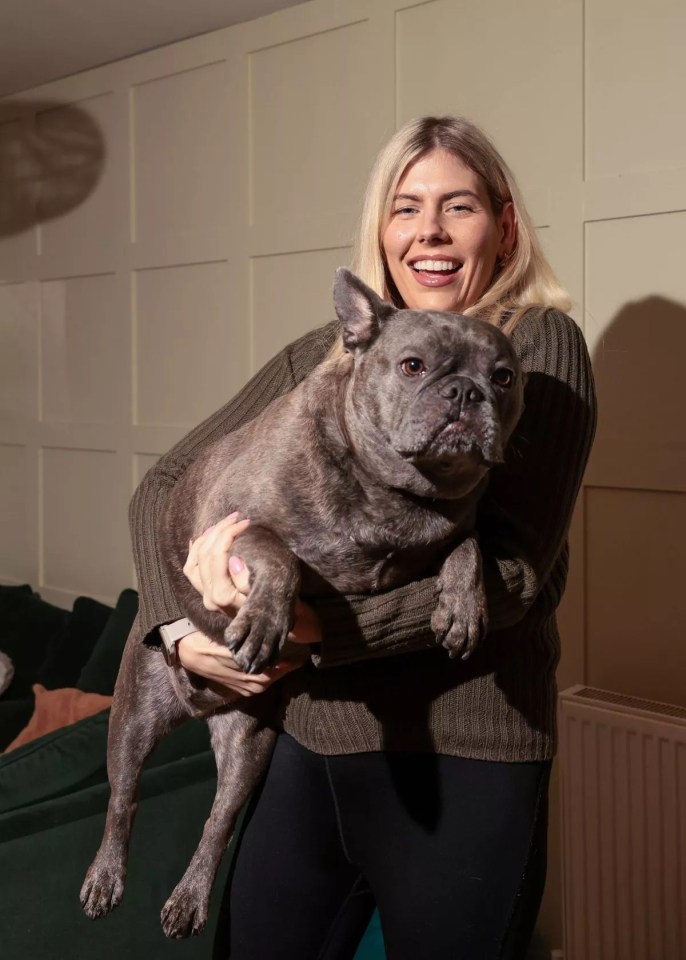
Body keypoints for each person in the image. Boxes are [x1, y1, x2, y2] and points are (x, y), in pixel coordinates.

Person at [129, 116, 596, 959]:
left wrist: (310, 634)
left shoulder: (533, 346)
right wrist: (178, 631)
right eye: (406, 207)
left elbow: (517, 579)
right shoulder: (332, 349)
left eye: (459, 207)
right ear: (381, 230)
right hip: (309, 739)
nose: (430, 231)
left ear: (505, 227)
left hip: (466, 749)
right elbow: (162, 483)